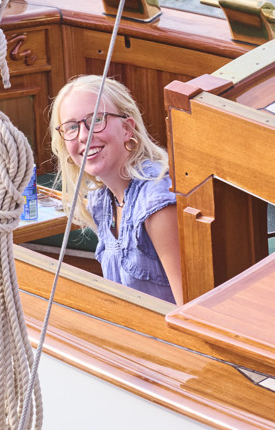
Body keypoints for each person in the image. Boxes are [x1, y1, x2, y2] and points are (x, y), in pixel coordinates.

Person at [48, 76, 184, 304]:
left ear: (127, 129)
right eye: (71, 127)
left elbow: (188, 311)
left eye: (97, 120)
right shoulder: (101, 200)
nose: (84, 135)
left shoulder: (157, 204)